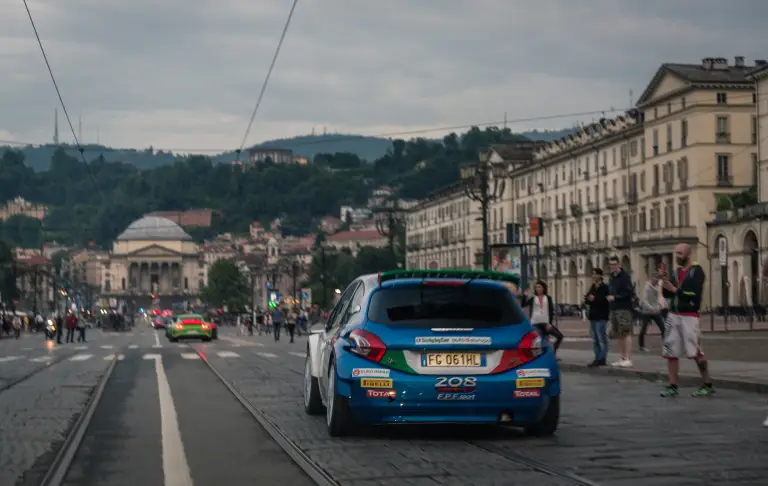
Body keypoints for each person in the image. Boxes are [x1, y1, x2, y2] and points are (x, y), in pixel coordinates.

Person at [659, 243, 713, 398]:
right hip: (673, 314)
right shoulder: (675, 272)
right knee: (670, 350)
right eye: (676, 253)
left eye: (680, 253)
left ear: (688, 254)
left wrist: (675, 290)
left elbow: (694, 294)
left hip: (689, 315)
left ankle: (707, 383)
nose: (677, 256)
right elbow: (669, 295)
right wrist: (665, 284)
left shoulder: (696, 271)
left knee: (695, 351)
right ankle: (672, 385)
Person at [520, 281, 563, 356]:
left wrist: (549, 323)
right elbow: (523, 304)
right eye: (536, 287)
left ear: (543, 288)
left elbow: (550, 311)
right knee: (540, 340)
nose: (538, 289)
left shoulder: (548, 298)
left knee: (559, 336)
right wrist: (524, 296)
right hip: (535, 322)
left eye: (539, 287)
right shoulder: (533, 298)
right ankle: (540, 356)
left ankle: (553, 353)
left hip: (545, 323)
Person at [607, 255, 635, 367]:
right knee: (619, 334)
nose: (612, 267)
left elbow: (629, 293)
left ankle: (628, 358)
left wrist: (616, 297)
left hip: (624, 308)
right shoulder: (612, 277)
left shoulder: (624, 277)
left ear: (618, 264)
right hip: (615, 308)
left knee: (626, 332)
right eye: (611, 265)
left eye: (614, 264)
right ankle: (622, 357)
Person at [584, 268, 610, 367]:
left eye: (595, 274)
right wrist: (588, 299)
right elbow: (587, 298)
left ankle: (602, 358)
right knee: (595, 339)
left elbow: (606, 301)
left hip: (601, 315)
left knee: (601, 338)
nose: (593, 276)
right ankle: (597, 357)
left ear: (600, 275)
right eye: (592, 274)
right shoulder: (593, 287)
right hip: (593, 315)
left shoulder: (605, 287)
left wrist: (595, 299)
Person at [638, 272, 666, 351]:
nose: (656, 279)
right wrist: (651, 308)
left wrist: (659, 306)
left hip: (656, 311)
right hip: (646, 311)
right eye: (655, 278)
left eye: (657, 278)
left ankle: (665, 345)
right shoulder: (647, 286)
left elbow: (659, 297)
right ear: (651, 278)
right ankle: (641, 346)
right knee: (644, 328)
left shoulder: (658, 286)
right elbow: (644, 299)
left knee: (663, 327)